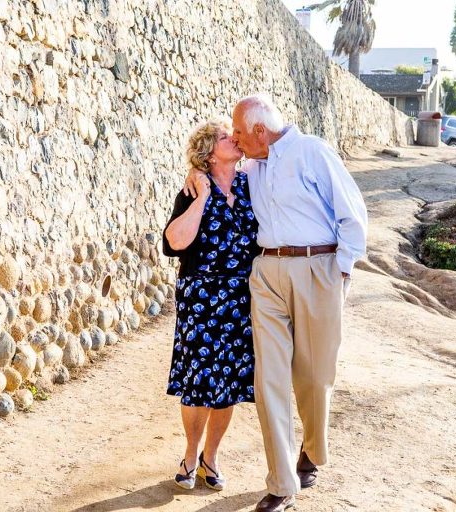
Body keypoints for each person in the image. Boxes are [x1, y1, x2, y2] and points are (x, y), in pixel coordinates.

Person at [185, 95, 367, 512]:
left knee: (315, 377)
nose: (234, 138)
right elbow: (217, 169)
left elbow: (352, 215)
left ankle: (313, 452)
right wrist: (195, 174)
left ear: (260, 132)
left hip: (317, 268)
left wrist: (339, 272)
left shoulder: (312, 153)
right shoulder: (251, 166)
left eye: (239, 133)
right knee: (268, 380)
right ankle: (282, 483)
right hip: (266, 273)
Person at [163, 119, 260, 491]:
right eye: (224, 137)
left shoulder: (250, 183)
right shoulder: (193, 190)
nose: (233, 139)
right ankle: (190, 454)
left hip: (241, 298)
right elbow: (174, 242)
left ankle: (211, 458)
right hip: (201, 298)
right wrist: (202, 197)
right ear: (207, 151)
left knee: (230, 384)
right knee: (199, 381)